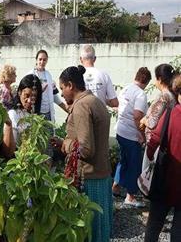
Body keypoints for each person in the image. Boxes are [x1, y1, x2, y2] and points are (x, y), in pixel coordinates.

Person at [56, 65, 112, 242]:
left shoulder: (81, 106)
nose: (62, 93)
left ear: (70, 85)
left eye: (62, 88)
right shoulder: (95, 101)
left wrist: (64, 143)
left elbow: (86, 149)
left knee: (90, 231)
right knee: (101, 229)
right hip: (101, 175)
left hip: (89, 177)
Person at [144, 73, 181, 242]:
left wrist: (150, 158)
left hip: (165, 177)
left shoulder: (172, 114)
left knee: (155, 222)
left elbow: (155, 140)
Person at [112, 67, 152, 207]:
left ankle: (115, 186)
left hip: (120, 131)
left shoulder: (126, 89)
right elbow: (137, 116)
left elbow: (117, 107)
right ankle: (130, 196)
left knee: (124, 161)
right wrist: (141, 135)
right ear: (146, 82)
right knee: (134, 165)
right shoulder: (141, 94)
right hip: (131, 135)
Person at [140, 64, 177, 151]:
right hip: (165, 140)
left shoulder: (163, 96)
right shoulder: (173, 95)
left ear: (160, 79)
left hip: (154, 143)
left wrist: (144, 120)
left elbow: (152, 123)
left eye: (156, 78)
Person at [28, 49, 67, 122]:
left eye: (44, 60)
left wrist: (66, 108)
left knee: (50, 132)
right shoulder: (31, 74)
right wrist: (40, 90)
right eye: (40, 59)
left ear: (47, 61)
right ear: (36, 60)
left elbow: (54, 95)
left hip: (48, 112)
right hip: (37, 113)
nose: (42, 62)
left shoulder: (48, 75)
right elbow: (27, 94)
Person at [8, 74, 42, 144]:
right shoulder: (13, 114)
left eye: (33, 97)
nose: (29, 100)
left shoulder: (36, 117)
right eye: (26, 95)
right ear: (19, 92)